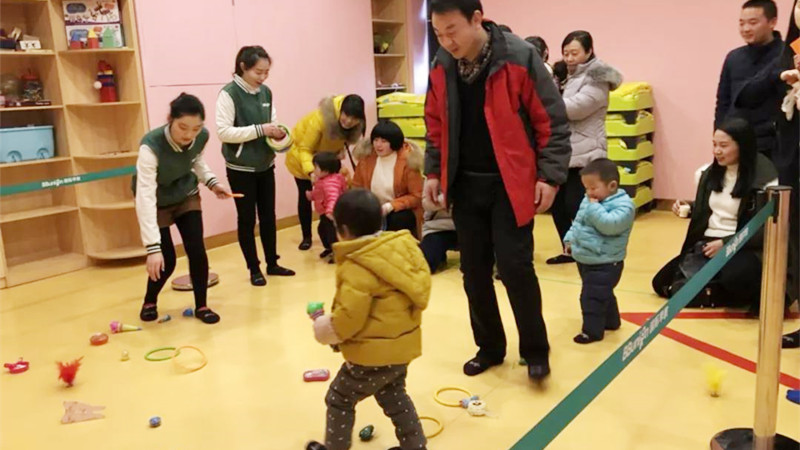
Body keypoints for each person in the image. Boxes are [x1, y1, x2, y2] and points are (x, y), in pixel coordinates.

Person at [425, 0, 571, 380]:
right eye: (438, 34)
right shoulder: (442, 63)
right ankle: (489, 348)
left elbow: (551, 122)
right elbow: (435, 123)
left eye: (452, 31)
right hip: (464, 184)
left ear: (477, 19)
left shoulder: (519, 57)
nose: (447, 41)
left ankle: (535, 350)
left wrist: (549, 177)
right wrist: (433, 172)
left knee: (515, 268)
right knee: (473, 273)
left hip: (511, 184)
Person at [306, 189, 430, 450]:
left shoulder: (358, 264)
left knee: (339, 399)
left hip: (371, 357)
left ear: (343, 230)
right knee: (394, 395)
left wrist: (323, 327)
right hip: (402, 349)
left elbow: (348, 320)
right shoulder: (400, 250)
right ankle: (415, 445)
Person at [652, 118, 778, 310]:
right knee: (660, 282)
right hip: (708, 243)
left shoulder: (764, 178)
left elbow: (764, 227)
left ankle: (707, 291)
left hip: (742, 246)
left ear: (742, 146)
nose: (717, 151)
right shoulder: (709, 173)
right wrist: (690, 208)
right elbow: (714, 208)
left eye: (724, 146)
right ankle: (706, 290)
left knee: (736, 277)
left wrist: (727, 243)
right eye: (714, 145)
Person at [133, 93, 231, 324]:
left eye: (196, 128)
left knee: (196, 250)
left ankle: (202, 305)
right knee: (166, 258)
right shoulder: (151, 146)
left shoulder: (201, 137)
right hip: (157, 200)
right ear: (170, 120)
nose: (189, 135)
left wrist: (212, 182)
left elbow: (195, 160)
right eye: (183, 127)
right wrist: (152, 248)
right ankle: (150, 300)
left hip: (186, 193)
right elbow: (145, 195)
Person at [735, 0, 800, 348]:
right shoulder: (789, 53)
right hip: (790, 164)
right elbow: (743, 95)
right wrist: (781, 76)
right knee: (795, 243)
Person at [216, 45, 295, 287]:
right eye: (258, 72)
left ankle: (272, 263)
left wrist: (278, 133)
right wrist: (261, 130)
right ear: (243, 67)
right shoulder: (229, 94)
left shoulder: (266, 93)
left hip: (265, 164)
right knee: (247, 219)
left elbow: (271, 123)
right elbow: (224, 132)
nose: (262, 77)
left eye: (266, 72)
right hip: (240, 169)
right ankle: (254, 268)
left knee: (269, 216)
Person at [547, 30, 623, 265]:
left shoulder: (598, 77)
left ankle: (590, 249)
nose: (570, 58)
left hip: (587, 152)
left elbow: (576, 108)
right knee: (558, 206)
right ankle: (569, 249)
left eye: (575, 53)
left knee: (577, 204)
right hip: (563, 150)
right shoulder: (563, 75)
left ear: (589, 51)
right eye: (566, 53)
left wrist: (546, 101)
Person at [563, 158, 635, 344]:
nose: (589, 192)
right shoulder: (589, 200)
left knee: (591, 297)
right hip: (586, 258)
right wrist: (569, 239)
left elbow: (609, 225)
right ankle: (611, 321)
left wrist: (594, 208)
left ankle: (592, 331)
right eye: (586, 188)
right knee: (602, 293)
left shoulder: (624, 206)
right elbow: (578, 222)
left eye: (593, 188)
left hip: (606, 262)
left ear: (612, 185)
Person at [285, 95, 366, 251]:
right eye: (346, 115)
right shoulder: (320, 119)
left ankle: (332, 236)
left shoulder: (354, 127)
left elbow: (338, 144)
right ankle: (306, 237)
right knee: (305, 196)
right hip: (303, 158)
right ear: (340, 111)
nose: (349, 121)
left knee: (331, 197)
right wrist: (311, 172)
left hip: (327, 161)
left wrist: (338, 156)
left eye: (354, 118)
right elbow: (305, 149)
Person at [715, 0, 783, 157]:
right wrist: (720, 139)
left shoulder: (786, 55)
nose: (746, 29)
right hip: (736, 143)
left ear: (772, 22)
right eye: (741, 23)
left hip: (773, 144)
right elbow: (723, 103)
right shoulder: (733, 58)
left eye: (753, 23)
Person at [352, 120, 424, 238]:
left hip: (398, 211)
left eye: (384, 141)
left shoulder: (409, 161)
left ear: (394, 142)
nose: (378, 145)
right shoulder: (366, 159)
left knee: (399, 218)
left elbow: (417, 196)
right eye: (376, 140)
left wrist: (391, 206)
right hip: (371, 209)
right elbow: (356, 188)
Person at [307, 152, 347, 263]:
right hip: (324, 212)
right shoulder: (322, 180)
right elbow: (319, 193)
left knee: (332, 234)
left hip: (331, 214)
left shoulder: (330, 183)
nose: (314, 170)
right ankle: (330, 249)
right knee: (322, 230)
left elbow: (333, 197)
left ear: (326, 170)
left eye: (316, 167)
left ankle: (337, 253)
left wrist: (330, 211)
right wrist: (312, 195)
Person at [420, 192, 457, 273]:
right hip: (437, 229)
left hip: (470, 228)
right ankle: (440, 256)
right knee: (424, 266)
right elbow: (426, 204)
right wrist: (447, 199)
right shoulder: (435, 182)